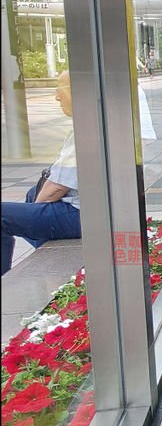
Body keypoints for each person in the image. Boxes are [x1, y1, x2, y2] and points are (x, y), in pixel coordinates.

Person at [1, 71, 81, 276]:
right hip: (95, 210)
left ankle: (5, 285)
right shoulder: (91, 123)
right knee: (31, 194)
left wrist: (32, 218)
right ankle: (60, 264)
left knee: (5, 215)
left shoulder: (86, 130)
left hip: (83, 215)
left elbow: (56, 188)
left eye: (60, 88)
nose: (56, 96)